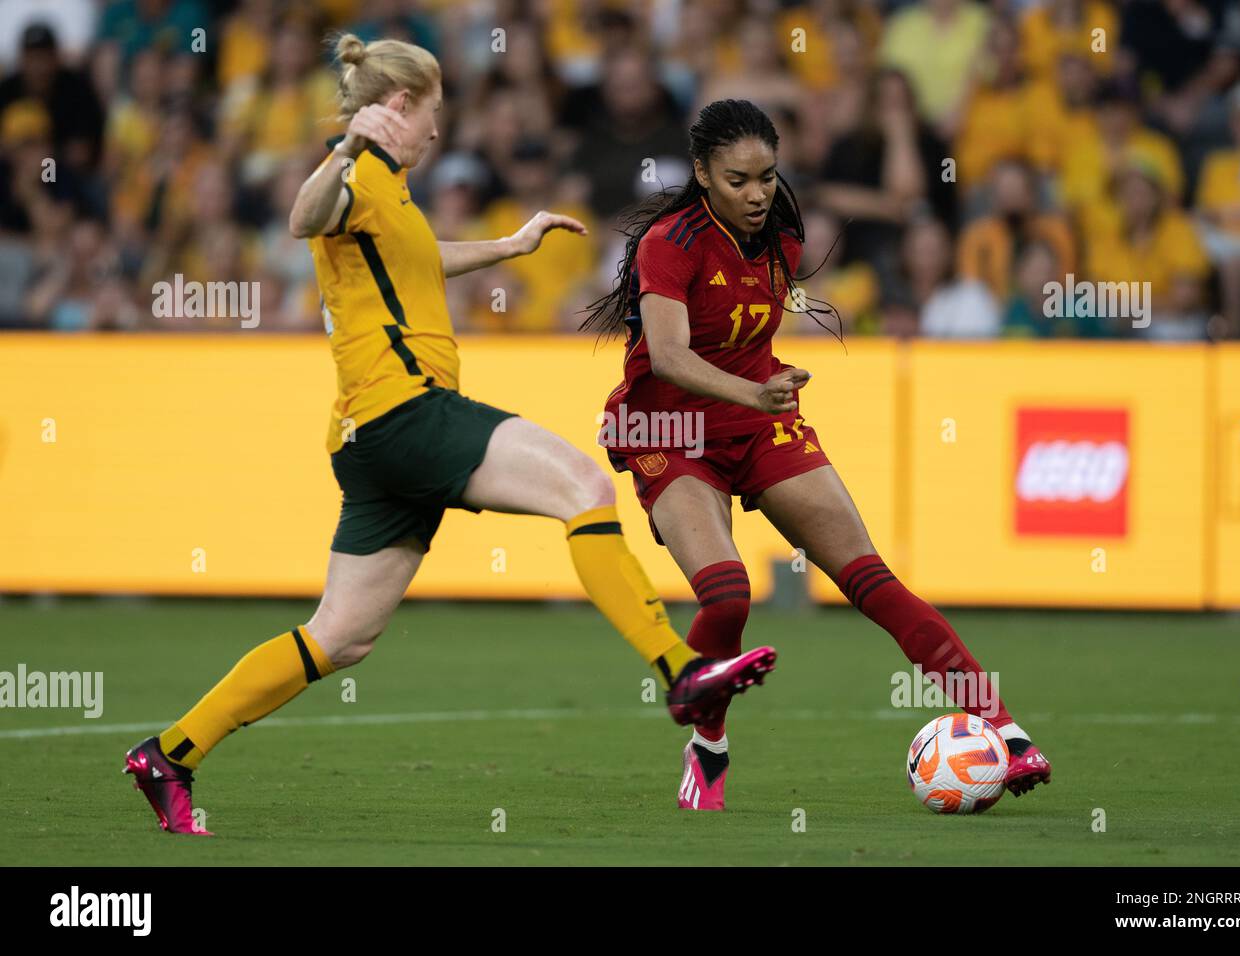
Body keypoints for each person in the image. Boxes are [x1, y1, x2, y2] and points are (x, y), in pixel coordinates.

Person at [122, 36, 776, 836]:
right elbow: (302, 217)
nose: (436, 133)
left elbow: (414, 260)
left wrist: (507, 246)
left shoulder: (388, 192)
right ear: (400, 108)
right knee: (585, 488)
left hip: (367, 438)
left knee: (340, 637)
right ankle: (681, 672)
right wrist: (351, 143)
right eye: (431, 116)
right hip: (408, 410)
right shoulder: (361, 169)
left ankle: (171, 752)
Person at [583, 98, 1051, 811]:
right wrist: (753, 390)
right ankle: (708, 742)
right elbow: (672, 357)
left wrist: (764, 390)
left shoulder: (782, 237)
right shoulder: (668, 244)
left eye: (767, 176)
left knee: (873, 579)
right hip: (670, 435)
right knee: (728, 593)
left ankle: (1006, 731)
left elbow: (748, 331)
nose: (757, 193)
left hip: (757, 423)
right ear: (704, 173)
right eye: (738, 179)